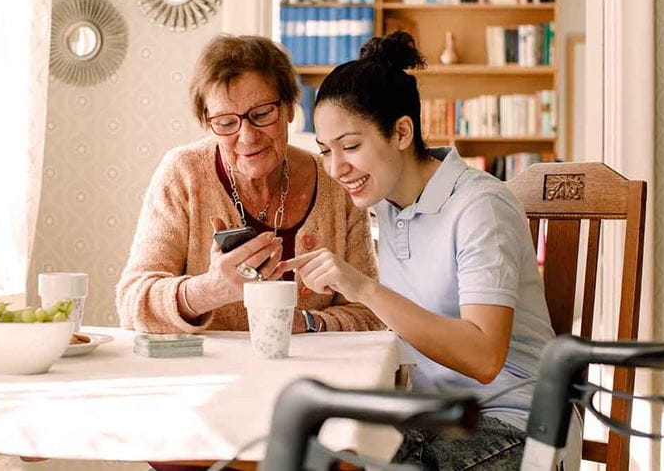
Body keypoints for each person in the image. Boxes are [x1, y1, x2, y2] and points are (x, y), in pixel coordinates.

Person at [274, 32, 559, 469]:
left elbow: (483, 358)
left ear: (402, 131)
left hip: (514, 425)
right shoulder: (388, 204)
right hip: (430, 416)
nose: (336, 168)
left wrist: (364, 288)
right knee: (309, 448)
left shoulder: (480, 207)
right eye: (326, 151)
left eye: (351, 146)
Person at [116, 34, 384, 335]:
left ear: (289, 108)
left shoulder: (336, 182)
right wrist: (210, 289)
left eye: (261, 114)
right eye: (227, 123)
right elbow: (132, 303)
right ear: (208, 122)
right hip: (210, 376)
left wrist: (308, 323)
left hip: (310, 376)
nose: (247, 137)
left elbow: (371, 313)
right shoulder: (184, 173)